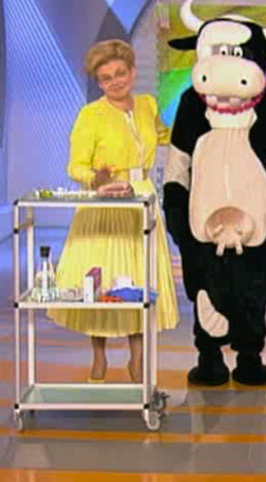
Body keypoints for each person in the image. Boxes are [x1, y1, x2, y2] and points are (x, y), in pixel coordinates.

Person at [48, 39, 179, 383]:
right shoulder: (90, 115)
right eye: (106, 78)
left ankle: (137, 359)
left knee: (139, 279)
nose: (115, 82)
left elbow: (165, 135)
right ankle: (99, 356)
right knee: (102, 280)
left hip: (142, 199)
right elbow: (75, 165)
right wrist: (96, 178)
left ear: (133, 72)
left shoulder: (148, 105)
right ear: (99, 82)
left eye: (120, 73)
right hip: (105, 202)